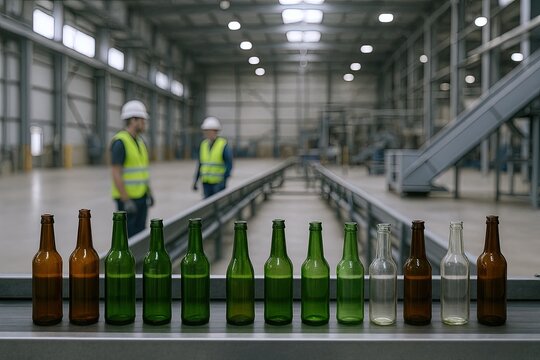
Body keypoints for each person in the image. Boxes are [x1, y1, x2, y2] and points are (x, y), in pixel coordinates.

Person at [110, 100, 154, 237]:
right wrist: (126, 199)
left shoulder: (141, 142)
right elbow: (116, 173)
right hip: (127, 200)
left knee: (140, 235)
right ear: (133, 120)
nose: (144, 123)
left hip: (141, 197)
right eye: (142, 120)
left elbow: (142, 172)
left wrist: (149, 192)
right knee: (127, 238)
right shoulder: (120, 142)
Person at [192, 116, 233, 198]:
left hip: (218, 183)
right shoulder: (203, 145)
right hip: (206, 182)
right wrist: (195, 181)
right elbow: (200, 164)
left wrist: (224, 179)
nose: (207, 133)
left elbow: (229, 164)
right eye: (205, 131)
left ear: (215, 131)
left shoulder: (223, 145)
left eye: (209, 131)